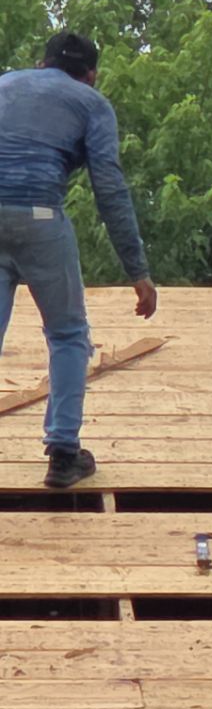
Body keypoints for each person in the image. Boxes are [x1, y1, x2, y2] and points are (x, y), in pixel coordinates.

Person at [0, 30, 157, 489]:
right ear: (91, 75)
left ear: (41, 62)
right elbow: (109, 187)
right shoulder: (92, 104)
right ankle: (64, 453)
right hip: (41, 219)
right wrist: (138, 271)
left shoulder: (4, 83)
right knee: (68, 334)